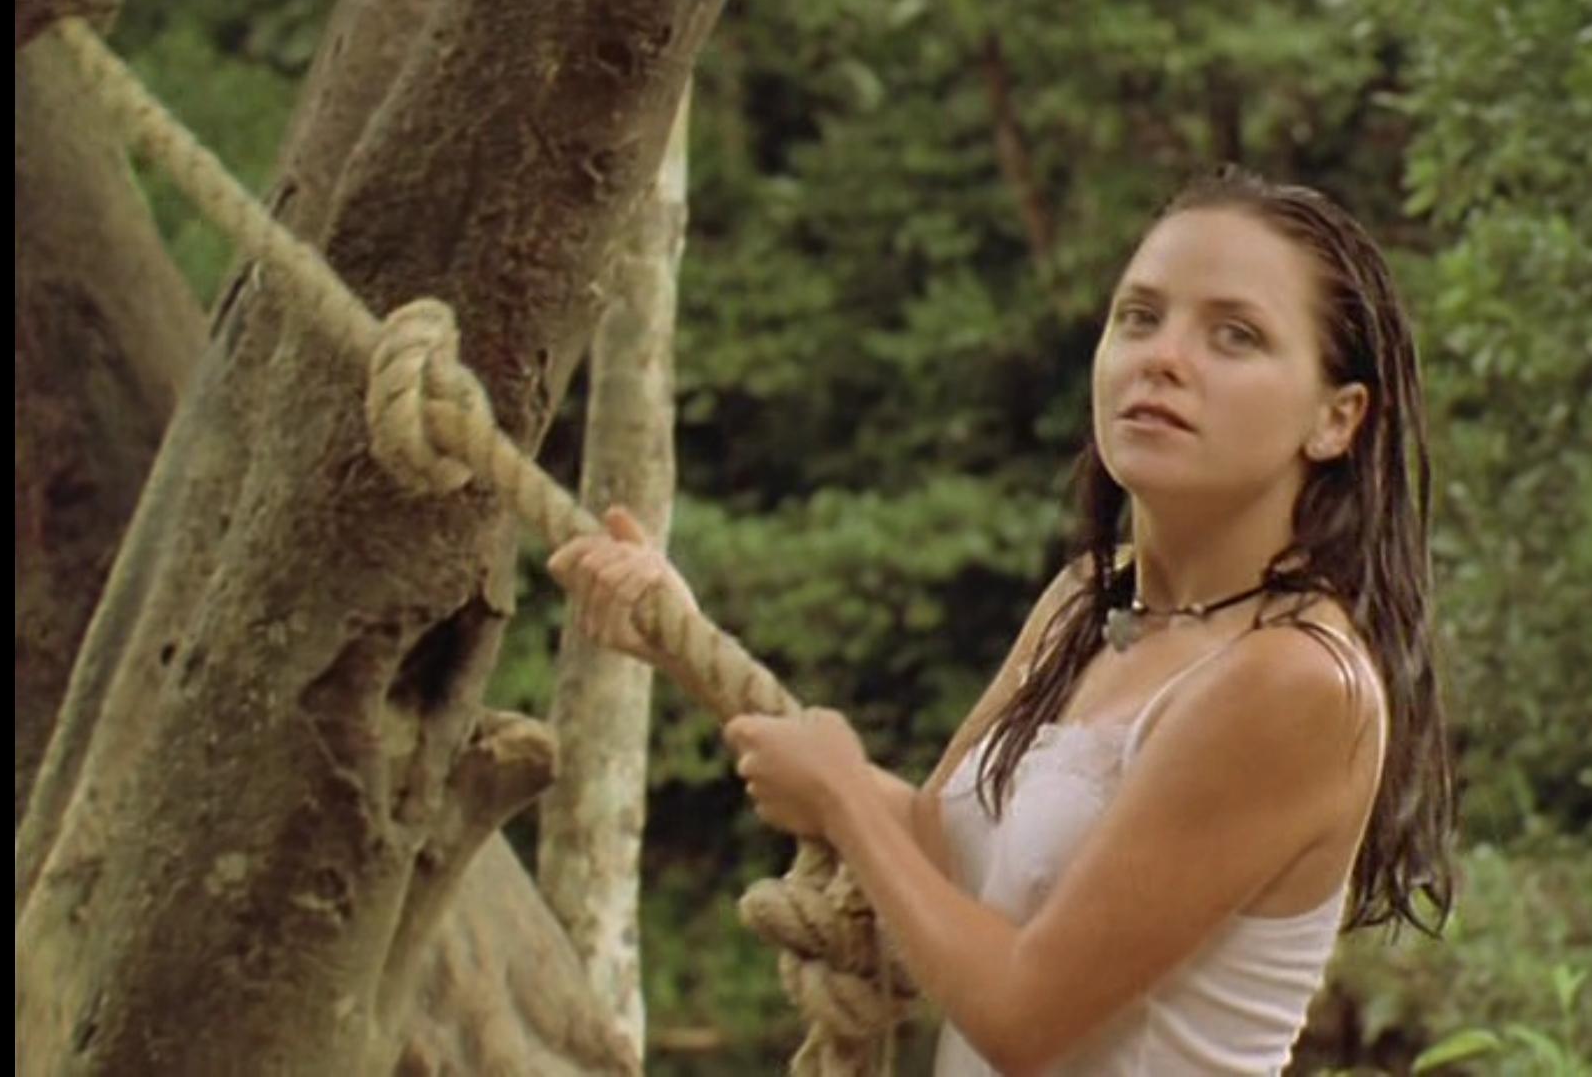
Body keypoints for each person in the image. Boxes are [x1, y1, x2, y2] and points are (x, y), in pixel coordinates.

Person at [548, 165, 1456, 1075]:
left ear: (1336, 419)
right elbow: (935, 863)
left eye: (1236, 335)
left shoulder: (1294, 679)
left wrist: (843, 798)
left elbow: (1024, 1017)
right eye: (1140, 317)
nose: (1164, 358)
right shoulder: (1086, 603)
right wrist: (685, 642)